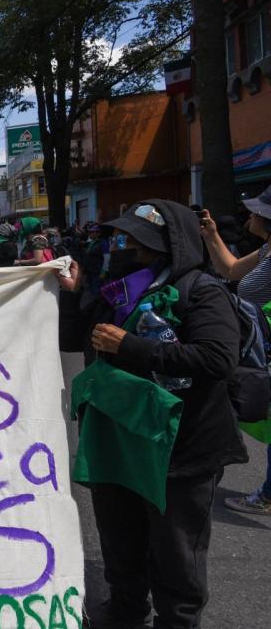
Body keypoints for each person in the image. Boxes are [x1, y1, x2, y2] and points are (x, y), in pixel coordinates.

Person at [58, 201, 246, 628]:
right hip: (116, 444)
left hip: (179, 452)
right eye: (122, 238)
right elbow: (74, 341)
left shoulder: (201, 290)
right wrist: (72, 297)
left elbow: (218, 359)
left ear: (167, 244)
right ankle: (124, 611)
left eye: (136, 241)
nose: (124, 247)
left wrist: (131, 346)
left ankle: (176, 621)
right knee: (120, 542)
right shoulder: (117, 290)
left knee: (176, 555)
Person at [201, 189, 271, 516]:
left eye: (255, 212)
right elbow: (230, 270)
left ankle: (268, 496)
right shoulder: (268, 251)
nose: (249, 217)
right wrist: (212, 236)